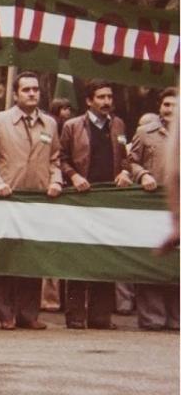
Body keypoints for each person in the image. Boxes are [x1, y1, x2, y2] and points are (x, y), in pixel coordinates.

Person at [0, 70, 63, 331]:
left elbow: (55, 159)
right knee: (6, 257)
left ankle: (29, 314)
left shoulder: (50, 124)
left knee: (32, 256)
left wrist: (56, 180)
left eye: (36, 89)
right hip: (7, 199)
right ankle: (5, 314)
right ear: (15, 94)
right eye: (26, 90)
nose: (33, 93)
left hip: (37, 201)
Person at [58, 80, 131, 330]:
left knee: (105, 256)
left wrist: (124, 172)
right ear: (89, 101)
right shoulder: (72, 126)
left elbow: (126, 157)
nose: (106, 101)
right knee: (78, 256)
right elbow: (61, 159)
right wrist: (74, 176)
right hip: (81, 198)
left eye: (109, 96)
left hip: (109, 200)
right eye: (100, 97)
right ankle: (75, 315)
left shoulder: (119, 125)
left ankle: (101, 316)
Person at [128, 87, 180, 331]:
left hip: (176, 207)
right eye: (166, 104)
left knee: (175, 263)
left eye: (175, 104)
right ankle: (152, 317)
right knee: (151, 260)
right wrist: (143, 175)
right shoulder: (144, 133)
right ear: (160, 106)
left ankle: (176, 317)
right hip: (149, 206)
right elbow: (129, 161)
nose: (170, 109)